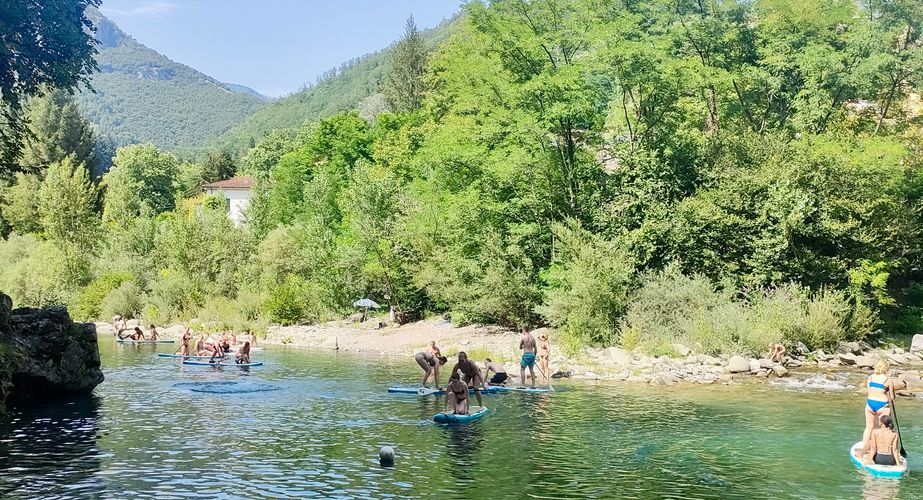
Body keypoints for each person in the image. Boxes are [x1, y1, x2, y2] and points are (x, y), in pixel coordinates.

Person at [862, 359, 895, 453]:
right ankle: (883, 449)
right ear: (885, 368)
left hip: (870, 404)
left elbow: (869, 392)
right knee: (884, 428)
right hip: (882, 405)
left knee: (869, 427)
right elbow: (892, 397)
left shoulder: (870, 378)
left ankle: (864, 449)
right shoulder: (888, 380)